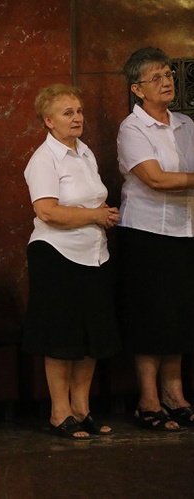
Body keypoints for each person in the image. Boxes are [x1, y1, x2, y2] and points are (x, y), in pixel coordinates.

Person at [22, 85, 121, 439]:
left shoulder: (85, 154)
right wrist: (95, 215)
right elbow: (46, 211)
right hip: (57, 255)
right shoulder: (44, 159)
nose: (77, 117)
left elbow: (91, 201)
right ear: (48, 121)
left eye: (78, 111)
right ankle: (58, 411)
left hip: (94, 255)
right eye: (67, 112)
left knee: (90, 336)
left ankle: (81, 408)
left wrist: (102, 214)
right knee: (61, 337)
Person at [117, 47, 194, 431]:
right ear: (137, 89)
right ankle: (147, 397)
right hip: (146, 232)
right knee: (150, 315)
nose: (167, 82)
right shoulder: (131, 129)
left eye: (169, 74)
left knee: (179, 313)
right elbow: (156, 179)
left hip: (185, 228)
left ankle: (174, 392)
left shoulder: (185, 124)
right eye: (157, 78)